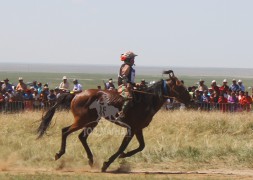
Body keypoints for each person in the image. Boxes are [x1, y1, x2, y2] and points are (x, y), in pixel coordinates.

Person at [117, 51, 137, 121]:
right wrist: (127, 84)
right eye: (133, 59)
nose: (134, 60)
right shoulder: (127, 67)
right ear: (129, 59)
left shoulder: (129, 67)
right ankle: (121, 114)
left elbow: (130, 80)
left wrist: (135, 84)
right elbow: (123, 78)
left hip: (128, 86)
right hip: (123, 86)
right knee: (129, 98)